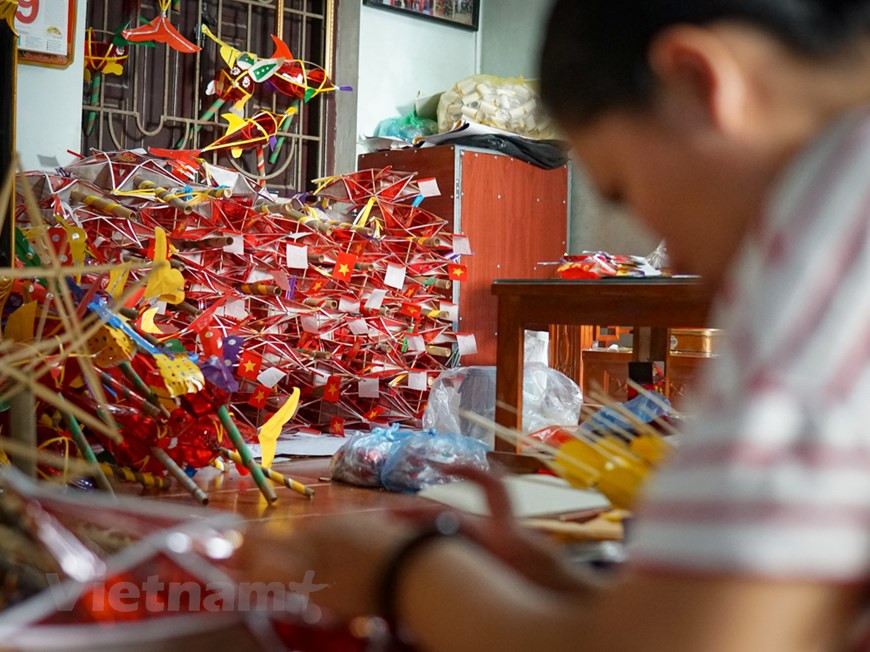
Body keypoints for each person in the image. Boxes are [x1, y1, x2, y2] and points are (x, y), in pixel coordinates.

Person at [240, 1, 870, 649]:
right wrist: (551, 585)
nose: (672, 257)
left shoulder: (832, 238)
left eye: (622, 189)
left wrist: (400, 571)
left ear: (695, 82)